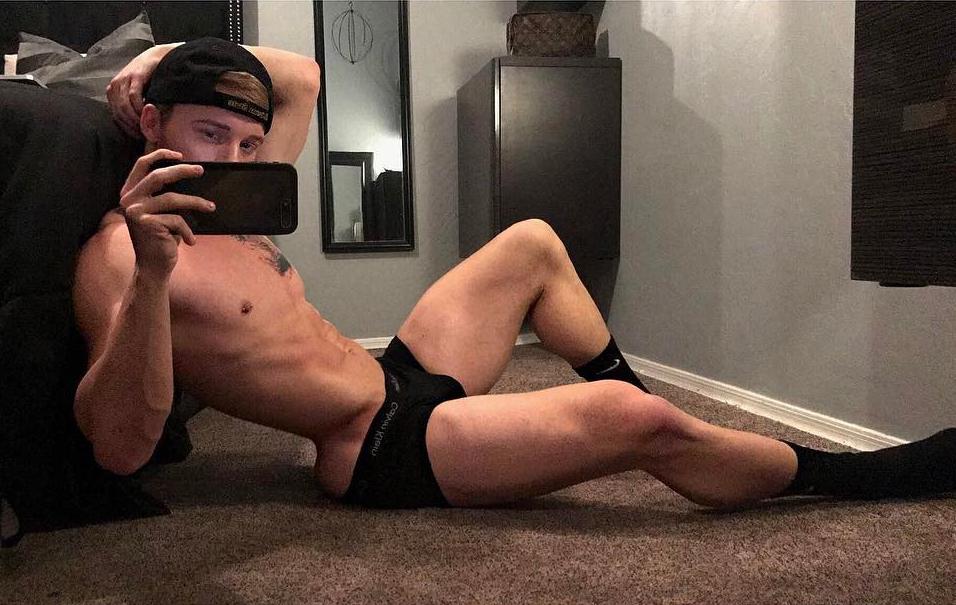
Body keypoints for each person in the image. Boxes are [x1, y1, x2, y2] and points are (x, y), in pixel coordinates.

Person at [74, 37, 956, 513]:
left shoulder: (240, 199)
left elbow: (300, 75)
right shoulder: (119, 255)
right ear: (151, 124)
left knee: (531, 240)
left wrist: (165, 54)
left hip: (396, 377)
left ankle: (646, 411)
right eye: (207, 134)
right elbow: (119, 446)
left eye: (249, 142)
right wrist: (151, 275)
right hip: (369, 444)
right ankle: (863, 476)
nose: (233, 160)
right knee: (637, 423)